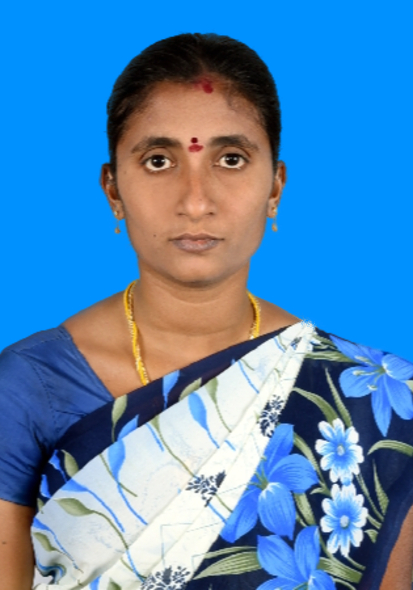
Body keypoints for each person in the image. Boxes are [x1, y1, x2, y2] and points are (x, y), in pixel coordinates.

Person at [0, 32, 412, 590]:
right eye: (159, 160)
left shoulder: (373, 398)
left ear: (275, 187)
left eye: (231, 159)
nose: (195, 201)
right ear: (113, 189)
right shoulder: (28, 387)